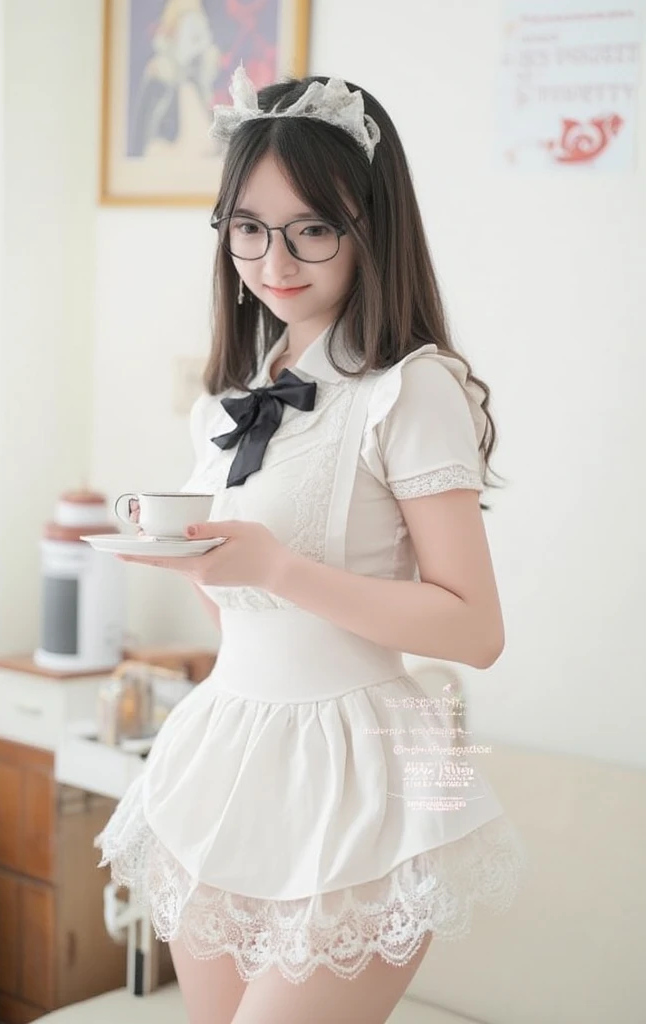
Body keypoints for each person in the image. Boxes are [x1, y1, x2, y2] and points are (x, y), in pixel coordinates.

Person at [96, 65, 528, 1024]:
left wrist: (276, 568)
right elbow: (237, 602)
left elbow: (476, 629)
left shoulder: (411, 389)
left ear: (371, 226)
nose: (273, 259)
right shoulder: (231, 396)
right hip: (230, 747)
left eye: (312, 229)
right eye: (248, 227)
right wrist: (195, 560)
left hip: (370, 759)